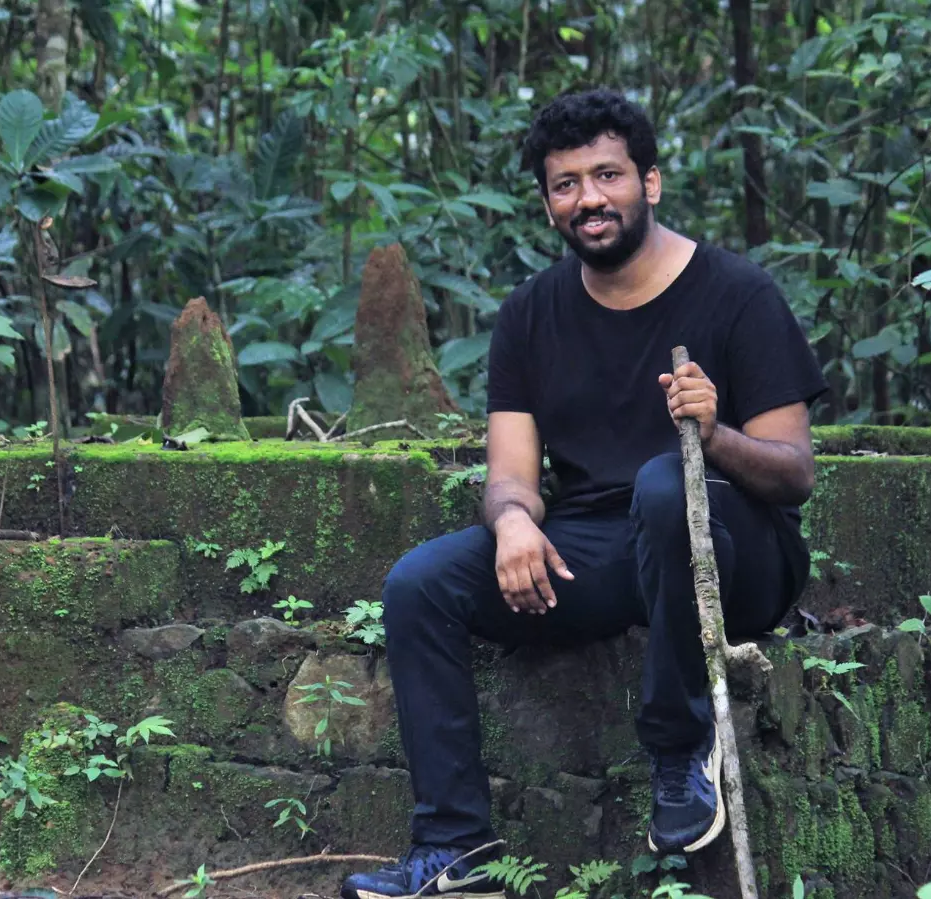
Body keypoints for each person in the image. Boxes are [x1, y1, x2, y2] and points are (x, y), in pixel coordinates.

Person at [340, 88, 828, 899]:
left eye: (608, 175)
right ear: (547, 205)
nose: (589, 198)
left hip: (733, 551)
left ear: (650, 182)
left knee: (665, 484)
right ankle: (456, 847)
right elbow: (511, 473)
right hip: (607, 548)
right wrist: (512, 522)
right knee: (420, 583)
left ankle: (680, 747)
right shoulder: (531, 314)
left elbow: (795, 473)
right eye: (566, 184)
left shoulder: (738, 293)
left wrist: (714, 436)